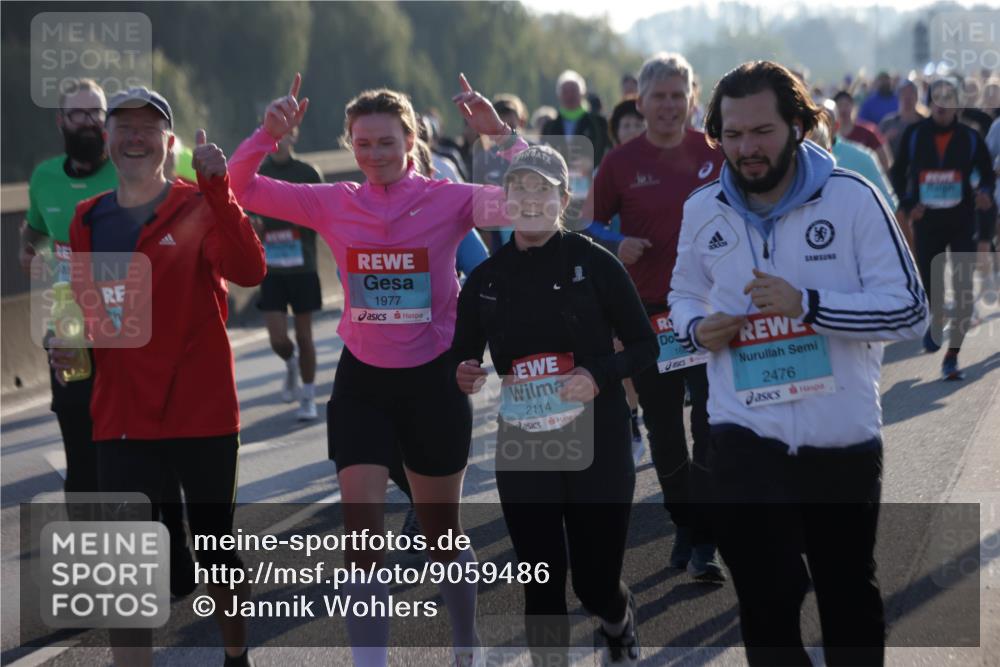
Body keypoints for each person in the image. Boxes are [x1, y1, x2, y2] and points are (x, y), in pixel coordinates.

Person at [228, 73, 526, 667]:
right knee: (360, 544)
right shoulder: (335, 202)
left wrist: (501, 135)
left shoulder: (451, 199)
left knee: (442, 540)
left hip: (433, 383)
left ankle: (465, 646)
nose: (374, 154)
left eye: (386, 142)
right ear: (349, 146)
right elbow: (238, 188)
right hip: (363, 383)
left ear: (411, 141)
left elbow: (541, 199)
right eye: (362, 144)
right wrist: (267, 134)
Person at [670, 60, 927, 667]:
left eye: (761, 132)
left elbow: (910, 312)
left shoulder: (854, 198)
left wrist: (809, 306)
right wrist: (695, 328)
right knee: (765, 598)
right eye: (731, 135)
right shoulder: (703, 209)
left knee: (847, 599)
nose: (746, 148)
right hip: (742, 431)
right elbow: (683, 292)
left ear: (798, 126)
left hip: (840, 439)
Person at [59, 86, 265, 666]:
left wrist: (220, 189)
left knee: (215, 552)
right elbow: (87, 311)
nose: (135, 136)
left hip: (201, 413)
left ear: (168, 143)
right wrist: (69, 344)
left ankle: (235, 654)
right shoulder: (88, 220)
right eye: (124, 126)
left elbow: (249, 271)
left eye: (149, 127)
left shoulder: (198, 204)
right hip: (123, 418)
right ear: (107, 139)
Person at [453, 145, 656, 666]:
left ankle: (616, 621)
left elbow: (645, 345)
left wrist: (597, 373)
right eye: (518, 188)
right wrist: (463, 372)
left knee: (595, 583)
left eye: (541, 189)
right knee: (540, 581)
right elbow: (460, 355)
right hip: (526, 440)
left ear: (564, 198)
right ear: (504, 200)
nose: (528, 198)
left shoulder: (596, 263)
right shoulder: (486, 280)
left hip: (600, 436)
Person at [25, 79, 196, 598]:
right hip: (73, 333)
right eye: (77, 116)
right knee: (80, 453)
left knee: (151, 448)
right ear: (60, 122)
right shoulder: (44, 179)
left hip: (136, 339)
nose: (88, 125)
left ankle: (175, 555)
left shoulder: (131, 169)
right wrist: (29, 251)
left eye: (97, 115)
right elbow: (35, 229)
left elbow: (193, 188)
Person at [584, 52, 726, 583]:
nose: (668, 105)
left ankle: (706, 535)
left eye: (677, 95)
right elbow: (586, 228)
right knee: (665, 430)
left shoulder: (715, 152)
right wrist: (617, 241)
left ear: (693, 98)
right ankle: (685, 524)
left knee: (711, 423)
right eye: (658, 96)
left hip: (711, 312)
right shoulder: (620, 162)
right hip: (650, 319)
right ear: (639, 102)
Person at [890, 78, 996, 379]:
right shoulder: (914, 135)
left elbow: (987, 174)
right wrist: (909, 204)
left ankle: (952, 357)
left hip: (962, 220)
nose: (942, 105)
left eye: (948, 98)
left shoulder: (971, 137)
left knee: (963, 291)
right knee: (932, 286)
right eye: (937, 98)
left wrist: (986, 192)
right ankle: (936, 318)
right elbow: (898, 173)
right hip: (928, 222)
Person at [246, 125, 325, 420]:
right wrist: (253, 225)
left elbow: (323, 213)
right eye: (274, 136)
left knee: (305, 337)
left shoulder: (307, 172)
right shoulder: (258, 171)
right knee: (278, 339)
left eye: (286, 135)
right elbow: (242, 209)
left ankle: (308, 396)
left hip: (303, 266)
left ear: (295, 136)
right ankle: (290, 362)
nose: (279, 141)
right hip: (271, 269)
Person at [541, 70, 611, 166]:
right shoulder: (549, 127)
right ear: (559, 95)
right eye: (565, 92)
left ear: (582, 93)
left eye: (574, 90)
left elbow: (606, 151)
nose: (570, 95)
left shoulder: (599, 123)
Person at [834, 90, 893, 170]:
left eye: (846, 105)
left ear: (853, 106)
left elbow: (885, 162)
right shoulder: (830, 135)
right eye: (840, 105)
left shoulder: (867, 132)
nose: (843, 109)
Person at [878, 80, 926, 158]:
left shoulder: (926, 123)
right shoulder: (887, 123)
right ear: (898, 97)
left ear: (917, 97)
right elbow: (875, 149)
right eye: (904, 93)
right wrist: (886, 139)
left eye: (911, 93)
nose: (907, 97)